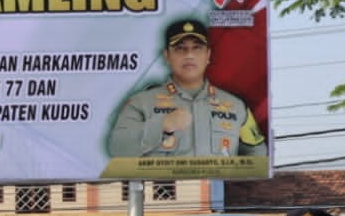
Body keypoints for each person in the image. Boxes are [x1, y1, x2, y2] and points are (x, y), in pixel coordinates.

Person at [106, 20, 266, 160]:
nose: (189, 54)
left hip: (218, 193)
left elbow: (257, 152)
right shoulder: (141, 102)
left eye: (197, 48)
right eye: (180, 48)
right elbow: (117, 147)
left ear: (208, 55)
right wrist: (162, 126)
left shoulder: (237, 106)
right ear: (167, 55)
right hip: (163, 192)